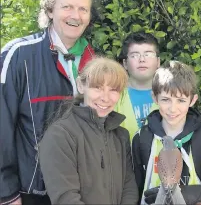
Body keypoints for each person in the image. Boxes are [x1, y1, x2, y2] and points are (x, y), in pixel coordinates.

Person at [0, 0, 96, 205]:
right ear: (50, 10)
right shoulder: (18, 55)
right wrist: (6, 194)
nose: (76, 16)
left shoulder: (94, 61)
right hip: (31, 193)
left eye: (83, 9)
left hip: (80, 192)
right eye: (67, 7)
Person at [132, 61, 201, 204]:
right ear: (154, 98)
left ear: (192, 100)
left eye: (181, 100)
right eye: (165, 100)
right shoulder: (141, 138)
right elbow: (133, 185)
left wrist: (196, 194)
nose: (172, 109)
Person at [39, 57, 138, 204]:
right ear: (80, 85)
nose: (105, 98)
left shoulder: (121, 135)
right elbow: (65, 198)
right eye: (97, 87)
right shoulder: (60, 135)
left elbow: (129, 187)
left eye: (113, 90)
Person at [115, 32, 160, 141]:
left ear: (158, 61)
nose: (142, 60)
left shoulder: (171, 95)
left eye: (148, 54)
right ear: (125, 63)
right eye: (134, 55)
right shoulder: (113, 95)